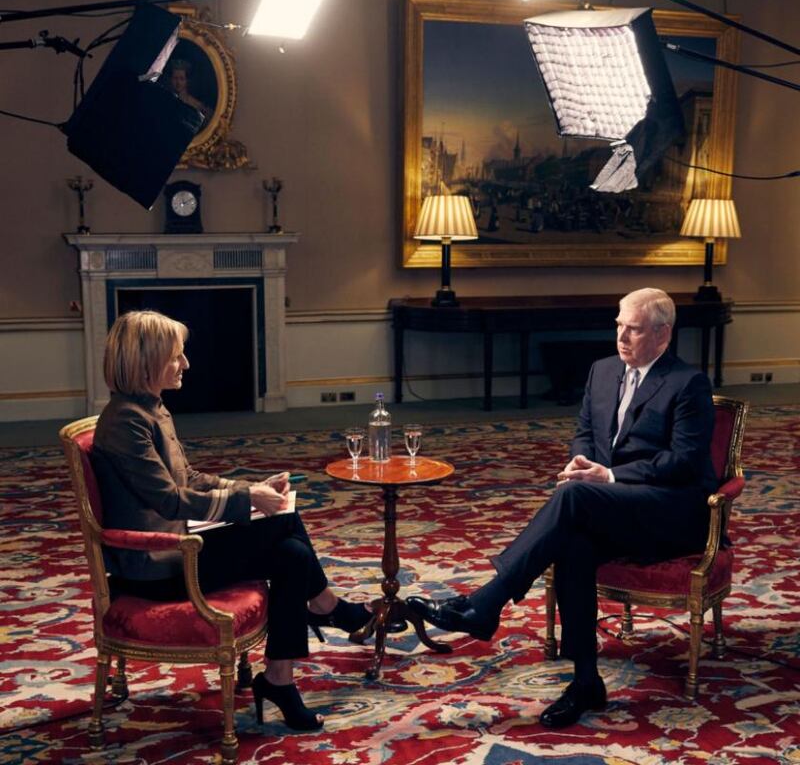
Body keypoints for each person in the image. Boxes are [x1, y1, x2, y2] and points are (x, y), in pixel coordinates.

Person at [408, 287, 717, 728]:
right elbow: (585, 433)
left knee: (574, 497)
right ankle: (585, 681)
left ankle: (487, 602)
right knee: (573, 543)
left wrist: (607, 477)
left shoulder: (687, 383)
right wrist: (581, 459)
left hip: (669, 511)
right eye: (619, 325)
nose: (622, 336)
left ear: (663, 334)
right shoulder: (602, 371)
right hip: (608, 506)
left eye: (633, 329)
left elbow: (683, 461)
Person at [91, 310, 372, 732]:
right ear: (146, 361)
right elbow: (169, 500)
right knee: (282, 527)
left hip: (176, 548)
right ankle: (330, 607)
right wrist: (247, 500)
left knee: (292, 555)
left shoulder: (150, 409)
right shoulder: (125, 421)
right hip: (156, 568)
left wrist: (250, 487)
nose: (185, 365)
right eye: (176, 356)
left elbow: (191, 479)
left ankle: (280, 679)